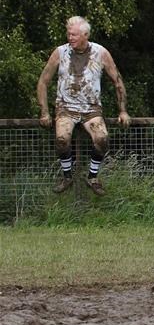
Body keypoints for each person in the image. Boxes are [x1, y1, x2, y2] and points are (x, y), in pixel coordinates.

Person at [36, 15, 131, 196]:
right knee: (62, 139)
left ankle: (92, 177)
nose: (69, 37)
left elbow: (117, 82)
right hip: (66, 107)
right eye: (68, 34)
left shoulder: (101, 52)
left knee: (102, 139)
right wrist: (44, 112)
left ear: (85, 35)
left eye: (74, 35)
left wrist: (123, 111)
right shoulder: (60, 52)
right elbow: (43, 82)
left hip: (91, 108)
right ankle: (67, 176)